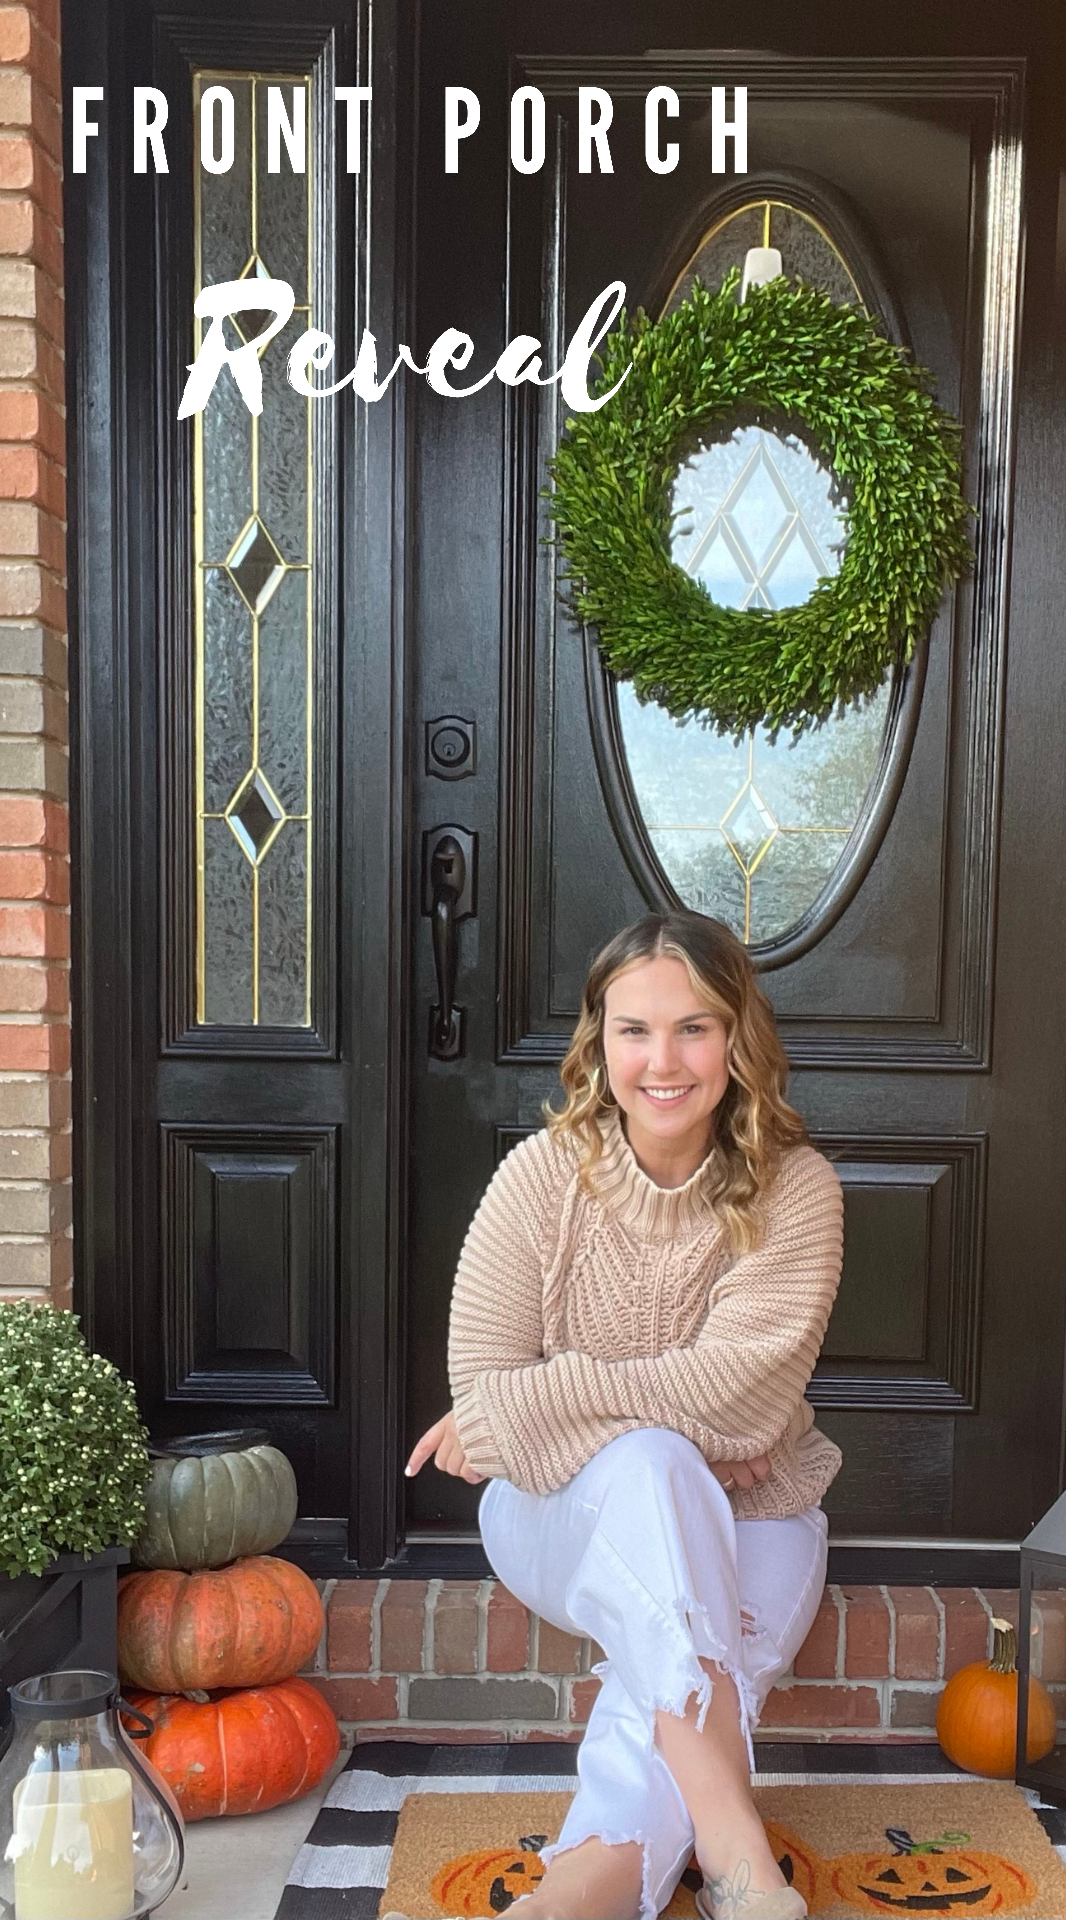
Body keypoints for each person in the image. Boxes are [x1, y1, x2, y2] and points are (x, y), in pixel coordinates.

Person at [403, 911, 844, 1920]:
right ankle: (739, 1853)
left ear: (739, 1039)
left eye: (694, 1027)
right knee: (653, 1464)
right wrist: (680, 1431)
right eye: (635, 1030)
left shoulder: (798, 1190)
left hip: (761, 1516)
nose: (663, 1061)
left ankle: (561, 1905)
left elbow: (745, 1400)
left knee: (664, 1661)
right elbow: (483, 1376)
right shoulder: (542, 1179)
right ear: (599, 1043)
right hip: (557, 1517)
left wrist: (535, 1406)